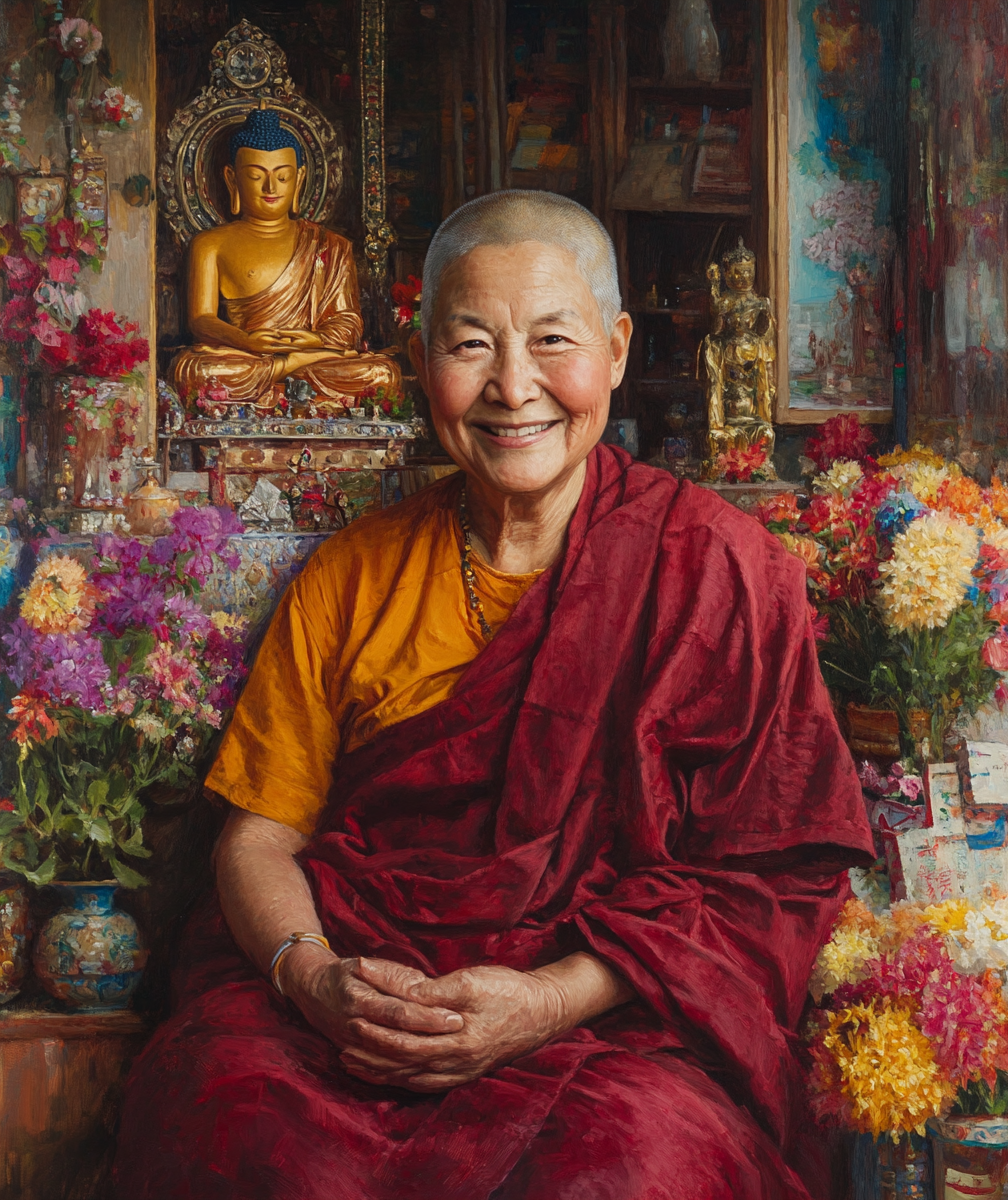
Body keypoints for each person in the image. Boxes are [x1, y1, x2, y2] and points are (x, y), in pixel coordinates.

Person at [115, 190, 873, 1199]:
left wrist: (544, 1000)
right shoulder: (355, 573)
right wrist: (312, 978)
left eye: (552, 341)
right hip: (358, 1002)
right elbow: (256, 838)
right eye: (472, 345)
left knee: (633, 1170)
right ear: (421, 357)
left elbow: (767, 880)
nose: (515, 389)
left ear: (614, 346)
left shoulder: (720, 569)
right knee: (227, 1120)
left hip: (612, 1020)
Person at [172, 107, 400, 411]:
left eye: (282, 176)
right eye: (256, 176)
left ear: (300, 178)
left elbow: (347, 322)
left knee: (382, 374)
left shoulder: (330, 245)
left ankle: (293, 366)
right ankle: (293, 367)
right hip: (247, 356)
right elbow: (201, 320)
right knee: (193, 370)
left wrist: (312, 341)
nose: (270, 188)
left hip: (316, 354)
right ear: (232, 179)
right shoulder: (210, 244)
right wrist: (247, 341)